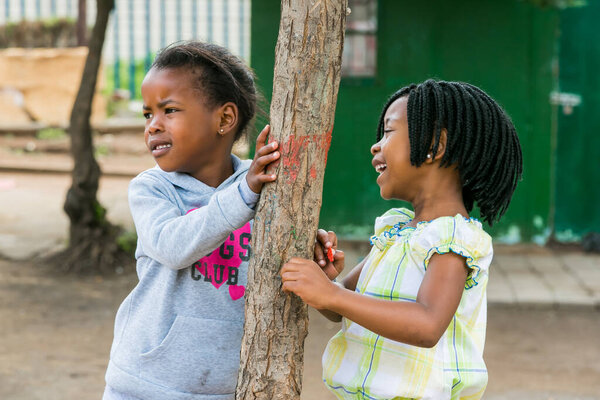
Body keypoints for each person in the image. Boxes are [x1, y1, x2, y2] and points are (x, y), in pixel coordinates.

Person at [281, 79, 523, 399]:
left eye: (389, 132)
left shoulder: (452, 238)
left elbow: (427, 325)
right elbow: (340, 308)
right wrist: (327, 282)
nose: (376, 146)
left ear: (435, 145)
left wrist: (331, 295)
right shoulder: (396, 230)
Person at [103, 41, 282, 400]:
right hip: (144, 386)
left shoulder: (260, 184)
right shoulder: (152, 188)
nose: (153, 126)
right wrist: (244, 194)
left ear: (224, 119)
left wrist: (313, 249)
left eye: (169, 110)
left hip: (224, 389)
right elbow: (173, 246)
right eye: (147, 114)